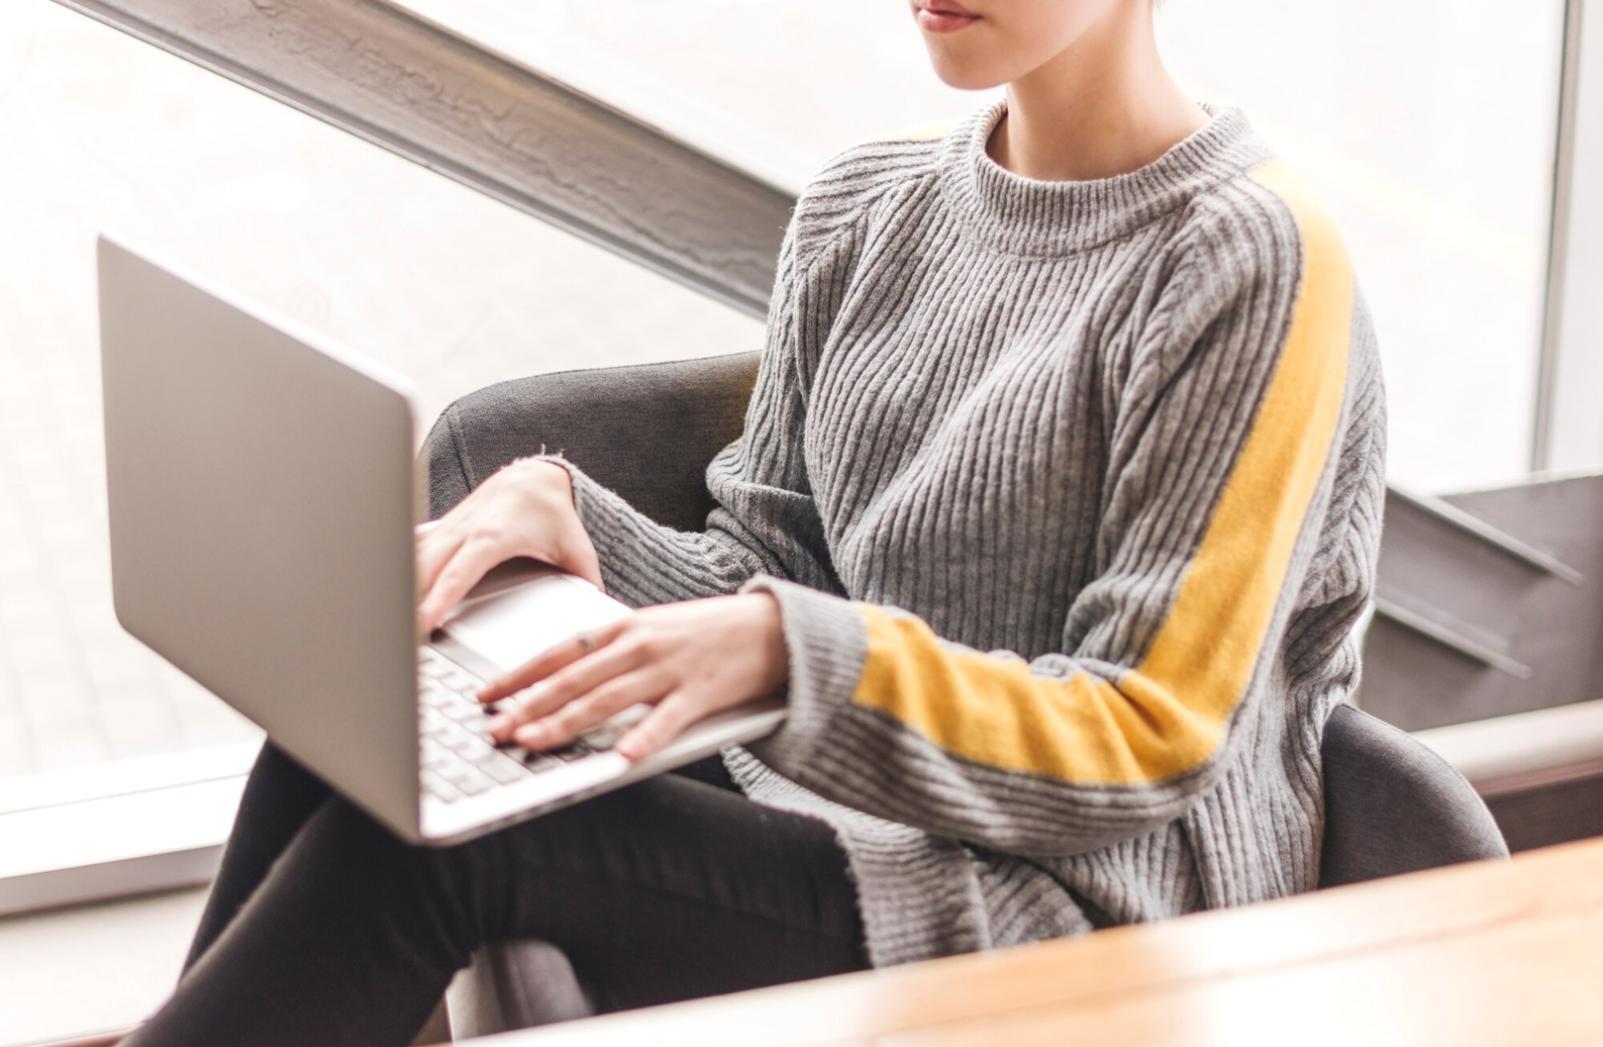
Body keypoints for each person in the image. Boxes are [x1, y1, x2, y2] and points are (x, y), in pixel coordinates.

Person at [124, 0, 1386, 1043]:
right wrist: (565, 514)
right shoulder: (866, 203)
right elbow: (769, 562)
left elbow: (1147, 736)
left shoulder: (1246, 258)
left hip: (1081, 907)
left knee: (434, 854)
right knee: (371, 724)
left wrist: (793, 654)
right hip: (832, 809)